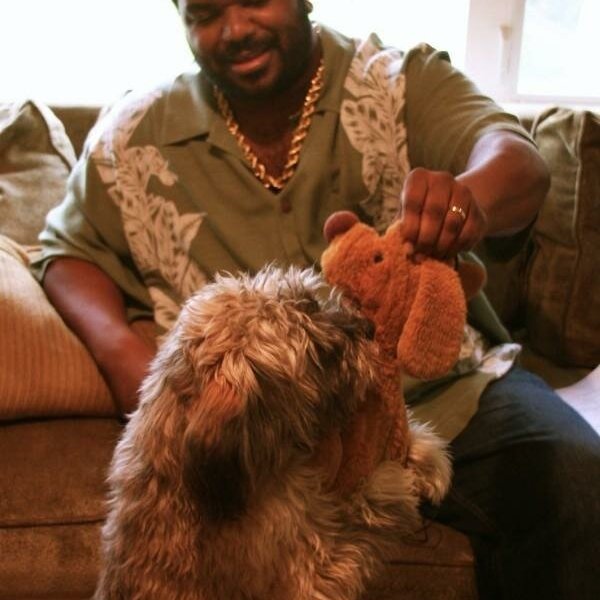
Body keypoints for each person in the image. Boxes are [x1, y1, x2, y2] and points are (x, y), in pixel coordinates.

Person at [31, 1, 600, 598]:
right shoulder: (131, 135)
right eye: (205, 11)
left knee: (579, 483)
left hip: (442, 394)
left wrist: (469, 201)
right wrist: (123, 354)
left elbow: (519, 162)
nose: (235, 29)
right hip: (267, 433)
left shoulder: (399, 82)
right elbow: (66, 253)